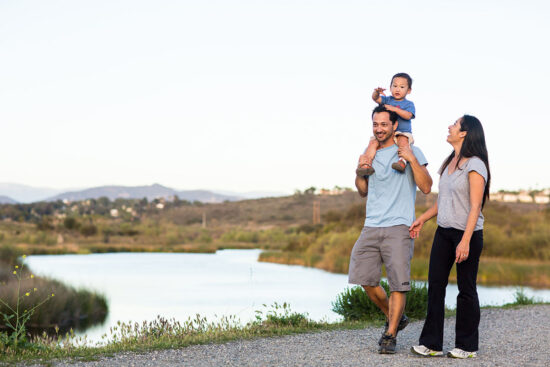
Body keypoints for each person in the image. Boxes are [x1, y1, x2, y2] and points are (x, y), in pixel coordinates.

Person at [349, 104, 432, 354]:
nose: (379, 129)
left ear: (395, 126)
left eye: (384, 124)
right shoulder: (370, 153)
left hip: (399, 225)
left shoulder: (409, 150)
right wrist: (360, 169)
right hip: (371, 224)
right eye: (375, 124)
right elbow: (362, 191)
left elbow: (427, 186)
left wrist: (411, 159)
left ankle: (390, 334)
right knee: (363, 278)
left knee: (398, 283)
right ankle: (395, 315)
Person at [410, 115, 491, 359]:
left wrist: (465, 241)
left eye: (454, 124)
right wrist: (423, 218)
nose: (449, 126)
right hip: (443, 232)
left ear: (465, 133)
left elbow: (475, 206)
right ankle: (431, 344)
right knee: (435, 286)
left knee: (466, 289)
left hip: (468, 233)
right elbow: (442, 201)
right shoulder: (449, 162)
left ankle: (466, 347)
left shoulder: (475, 164)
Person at [356, 73, 416, 177]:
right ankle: (367, 164)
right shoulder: (387, 100)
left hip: (402, 132)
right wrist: (376, 92)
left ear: (409, 90)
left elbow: (408, 115)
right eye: (395, 86)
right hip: (387, 132)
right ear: (390, 87)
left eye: (402, 87)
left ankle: (402, 161)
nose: (397, 89)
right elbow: (376, 99)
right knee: (372, 143)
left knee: (403, 142)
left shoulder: (408, 104)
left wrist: (395, 109)